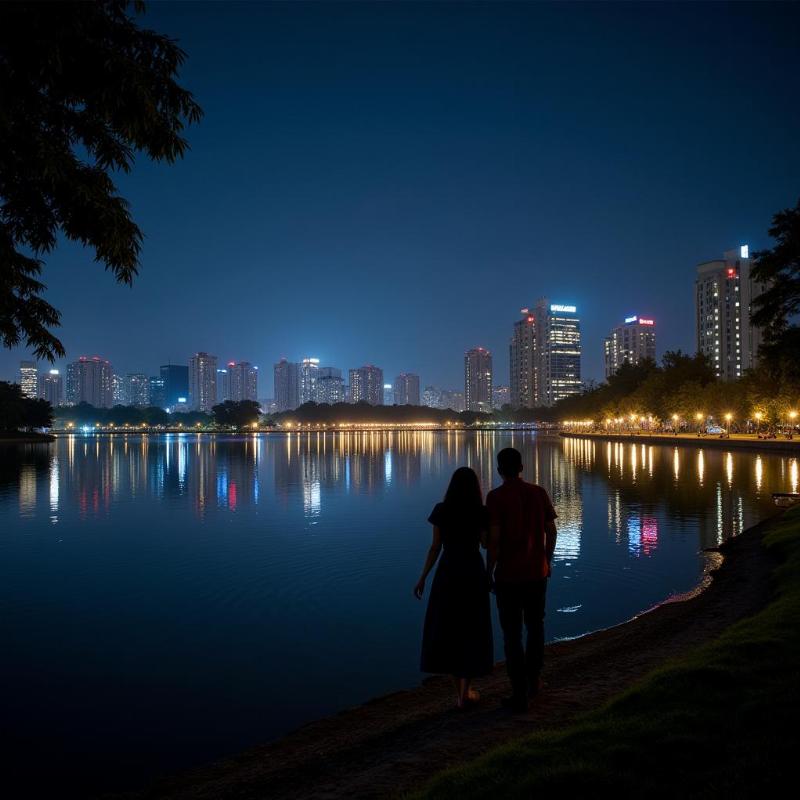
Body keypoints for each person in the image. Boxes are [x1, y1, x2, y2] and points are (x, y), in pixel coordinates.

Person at [414, 467, 493, 709]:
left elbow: (435, 547)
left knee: (447, 626)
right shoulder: (480, 512)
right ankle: (466, 691)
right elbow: (485, 543)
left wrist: (423, 577)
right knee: (471, 626)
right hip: (471, 569)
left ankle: (458, 693)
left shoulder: (442, 510)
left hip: (447, 572)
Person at [486, 447, 558, 712]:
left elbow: (493, 542)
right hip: (537, 573)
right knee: (536, 627)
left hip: (508, 577)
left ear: (498, 470)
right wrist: (547, 560)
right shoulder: (538, 493)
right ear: (522, 468)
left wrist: (488, 572)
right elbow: (551, 531)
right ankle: (535, 680)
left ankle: (518, 691)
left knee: (512, 634)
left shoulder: (495, 498)